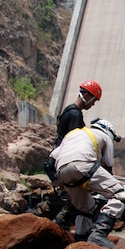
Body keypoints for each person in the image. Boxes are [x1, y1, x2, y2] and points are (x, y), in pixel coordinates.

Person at [49, 118, 125, 248]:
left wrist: (57, 182)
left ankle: (81, 240)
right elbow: (107, 167)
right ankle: (99, 234)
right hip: (83, 164)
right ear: (109, 132)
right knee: (120, 194)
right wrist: (103, 188)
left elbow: (51, 159)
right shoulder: (105, 137)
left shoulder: (73, 134)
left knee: (85, 207)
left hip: (61, 170)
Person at [48, 79, 103, 228]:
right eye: (93, 100)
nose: (93, 104)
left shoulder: (69, 111)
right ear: (86, 95)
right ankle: (59, 226)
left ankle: (66, 228)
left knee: (74, 199)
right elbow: (74, 141)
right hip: (66, 160)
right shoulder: (75, 115)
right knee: (75, 199)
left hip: (58, 160)